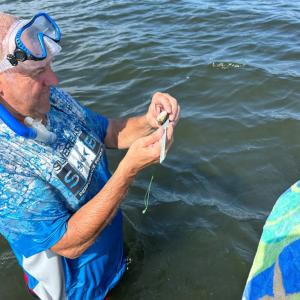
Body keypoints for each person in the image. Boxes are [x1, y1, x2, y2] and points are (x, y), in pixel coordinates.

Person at [0, 12, 180, 300]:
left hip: (111, 260)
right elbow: (67, 243)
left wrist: (149, 120)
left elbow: (107, 131)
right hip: (77, 291)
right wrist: (128, 171)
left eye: (49, 66)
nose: (54, 80)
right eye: (37, 73)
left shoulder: (52, 99)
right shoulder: (5, 165)